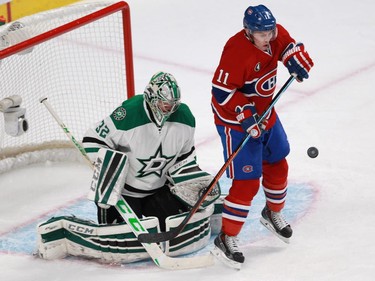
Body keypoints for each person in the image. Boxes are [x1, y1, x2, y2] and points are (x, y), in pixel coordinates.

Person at [37, 71, 220, 264]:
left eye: (172, 104)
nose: (168, 109)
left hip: (158, 191)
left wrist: (189, 183)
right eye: (163, 104)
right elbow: (92, 140)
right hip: (123, 195)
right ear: (150, 97)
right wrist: (109, 168)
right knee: (116, 237)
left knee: (176, 227)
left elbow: (186, 157)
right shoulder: (128, 114)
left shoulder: (185, 117)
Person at [210, 5, 314, 268]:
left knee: (278, 162)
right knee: (247, 183)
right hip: (235, 121)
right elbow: (220, 93)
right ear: (248, 31)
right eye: (261, 33)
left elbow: (289, 46)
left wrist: (296, 59)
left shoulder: (275, 35)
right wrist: (245, 115)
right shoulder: (236, 50)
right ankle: (226, 237)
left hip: (266, 114)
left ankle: (273, 213)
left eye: (270, 30)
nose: (268, 36)